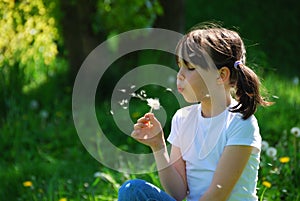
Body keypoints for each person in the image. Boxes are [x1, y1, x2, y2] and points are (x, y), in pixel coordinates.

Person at [118, 23, 271, 201]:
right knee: (132, 190)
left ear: (221, 76)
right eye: (179, 66)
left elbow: (218, 194)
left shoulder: (240, 123)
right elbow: (178, 192)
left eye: (190, 67)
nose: (180, 74)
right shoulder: (182, 119)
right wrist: (158, 146)